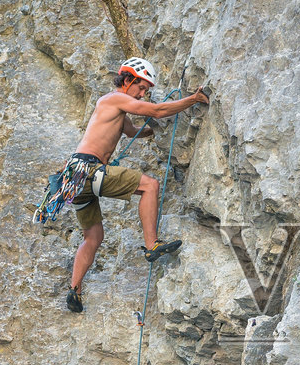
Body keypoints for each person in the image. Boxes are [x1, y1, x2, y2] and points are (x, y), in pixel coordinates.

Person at [36, 57, 210, 312]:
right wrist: (192, 100)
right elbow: (156, 110)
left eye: (146, 92)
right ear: (127, 80)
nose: (142, 94)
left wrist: (158, 127)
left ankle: (75, 289)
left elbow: (133, 131)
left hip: (75, 179)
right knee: (149, 185)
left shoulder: (117, 108)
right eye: (141, 88)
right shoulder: (113, 99)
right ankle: (152, 245)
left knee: (93, 237)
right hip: (89, 170)